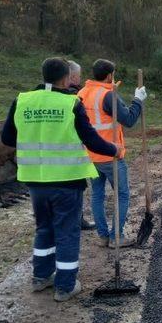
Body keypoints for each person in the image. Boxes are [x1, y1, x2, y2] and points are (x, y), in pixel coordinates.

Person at [1, 57, 123, 301]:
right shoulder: (71, 104)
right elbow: (91, 140)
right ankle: (65, 286)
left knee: (44, 228)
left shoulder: (22, 101)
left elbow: (7, 138)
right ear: (67, 78)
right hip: (66, 181)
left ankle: (40, 277)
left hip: (35, 180)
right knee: (67, 231)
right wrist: (114, 149)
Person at [77, 59, 147, 248]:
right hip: (111, 155)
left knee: (97, 195)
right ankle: (116, 237)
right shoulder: (108, 96)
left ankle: (102, 236)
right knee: (122, 195)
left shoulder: (81, 93)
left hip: (90, 156)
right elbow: (129, 119)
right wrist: (138, 100)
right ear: (109, 75)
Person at [68, 60, 95, 231]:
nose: (80, 78)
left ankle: (78, 219)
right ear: (70, 76)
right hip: (71, 150)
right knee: (75, 188)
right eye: (78, 75)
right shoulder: (72, 98)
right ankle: (76, 220)